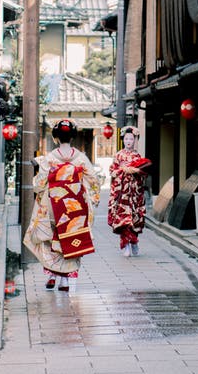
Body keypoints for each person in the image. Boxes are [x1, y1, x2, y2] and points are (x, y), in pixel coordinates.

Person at [24, 119, 101, 292]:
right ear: (72, 137)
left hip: (54, 203)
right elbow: (93, 180)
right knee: (71, 239)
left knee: (51, 239)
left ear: (56, 137)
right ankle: (65, 281)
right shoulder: (80, 158)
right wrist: (92, 198)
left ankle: (52, 275)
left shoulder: (50, 158)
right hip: (74, 205)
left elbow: (40, 183)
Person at [108, 126, 149, 257]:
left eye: (131, 138)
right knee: (123, 220)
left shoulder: (137, 156)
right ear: (123, 140)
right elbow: (112, 172)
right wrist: (123, 170)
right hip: (122, 193)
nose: (129, 141)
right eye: (126, 138)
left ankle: (134, 242)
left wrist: (136, 171)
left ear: (134, 140)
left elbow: (144, 172)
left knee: (135, 218)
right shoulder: (118, 155)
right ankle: (125, 244)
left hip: (135, 192)